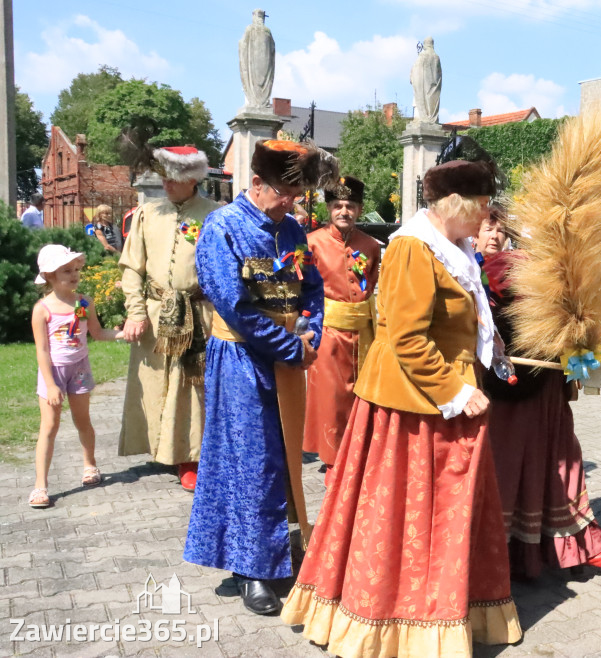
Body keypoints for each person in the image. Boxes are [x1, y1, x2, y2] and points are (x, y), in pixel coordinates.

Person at [281, 160, 522, 656]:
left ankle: (443, 605)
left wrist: (491, 348)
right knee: (404, 516)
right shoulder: (416, 248)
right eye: (481, 207)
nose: (486, 218)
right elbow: (407, 339)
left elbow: (461, 316)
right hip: (414, 405)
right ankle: (389, 618)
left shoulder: (455, 247)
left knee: (441, 514)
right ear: (455, 203)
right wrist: (456, 391)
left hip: (440, 399)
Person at [183, 139, 328, 616]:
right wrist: (291, 347)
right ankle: (252, 570)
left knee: (285, 457)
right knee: (252, 461)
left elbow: (311, 288)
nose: (292, 201)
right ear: (258, 183)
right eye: (286, 191)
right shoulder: (222, 227)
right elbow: (235, 305)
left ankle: (275, 550)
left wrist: (312, 331)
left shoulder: (293, 231)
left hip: (285, 360)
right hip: (243, 359)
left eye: (298, 192)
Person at [477, 207, 601, 578]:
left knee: (563, 456)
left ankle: (588, 545)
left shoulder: (528, 264)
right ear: (473, 233)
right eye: (487, 229)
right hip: (505, 386)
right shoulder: (476, 269)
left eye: (501, 230)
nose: (494, 236)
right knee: (510, 464)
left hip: (546, 380)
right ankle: (504, 556)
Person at [118, 146, 218, 491]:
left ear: (192, 178)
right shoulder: (148, 213)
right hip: (156, 313)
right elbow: (131, 266)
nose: (165, 182)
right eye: (163, 174)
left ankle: (190, 456)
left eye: (172, 176)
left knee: (191, 386)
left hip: (198, 314)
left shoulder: (215, 215)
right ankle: (163, 449)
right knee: (155, 382)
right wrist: (135, 311)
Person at [29, 245, 122, 508]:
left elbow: (98, 333)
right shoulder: (42, 309)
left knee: (83, 421)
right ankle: (40, 486)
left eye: (75, 270)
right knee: (49, 427)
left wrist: (125, 333)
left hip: (79, 368)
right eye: (65, 271)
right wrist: (50, 384)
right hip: (54, 373)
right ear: (49, 275)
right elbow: (42, 350)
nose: (73, 275)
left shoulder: (84, 302)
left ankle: (89, 465)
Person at [302, 176, 380, 474]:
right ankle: (334, 460)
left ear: (359, 210)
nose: (344, 211)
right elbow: (303, 289)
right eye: (337, 206)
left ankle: (359, 451)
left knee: (361, 393)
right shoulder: (312, 243)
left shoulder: (371, 245)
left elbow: (371, 283)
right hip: (329, 331)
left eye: (350, 206)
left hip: (364, 332)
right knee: (333, 397)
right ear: (328, 209)